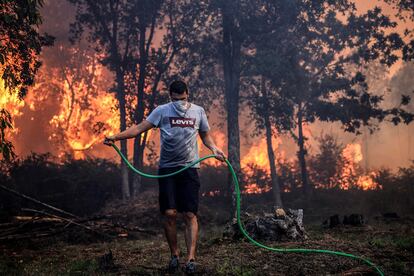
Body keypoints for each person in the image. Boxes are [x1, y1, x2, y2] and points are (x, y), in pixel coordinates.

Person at [104, 80, 225, 274]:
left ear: (188, 94)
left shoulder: (198, 111)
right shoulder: (161, 111)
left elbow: (206, 136)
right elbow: (139, 129)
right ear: (171, 97)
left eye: (183, 99)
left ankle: (191, 259)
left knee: (190, 214)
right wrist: (115, 137)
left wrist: (215, 149)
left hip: (189, 168)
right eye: (177, 99)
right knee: (169, 213)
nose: (180, 103)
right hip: (167, 169)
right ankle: (175, 256)